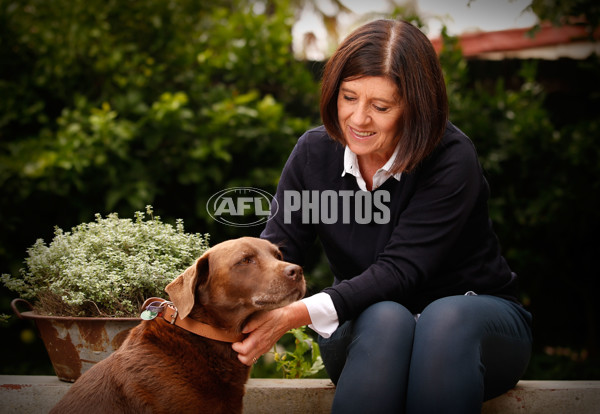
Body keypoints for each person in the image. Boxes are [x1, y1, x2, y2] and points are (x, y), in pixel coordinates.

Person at [232, 19, 532, 414]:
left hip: (474, 327)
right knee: (386, 316)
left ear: (416, 107)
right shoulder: (313, 153)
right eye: (348, 97)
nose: (358, 119)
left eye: (381, 106)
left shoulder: (450, 158)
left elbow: (402, 269)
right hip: (370, 334)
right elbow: (279, 249)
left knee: (445, 317)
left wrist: (293, 315)